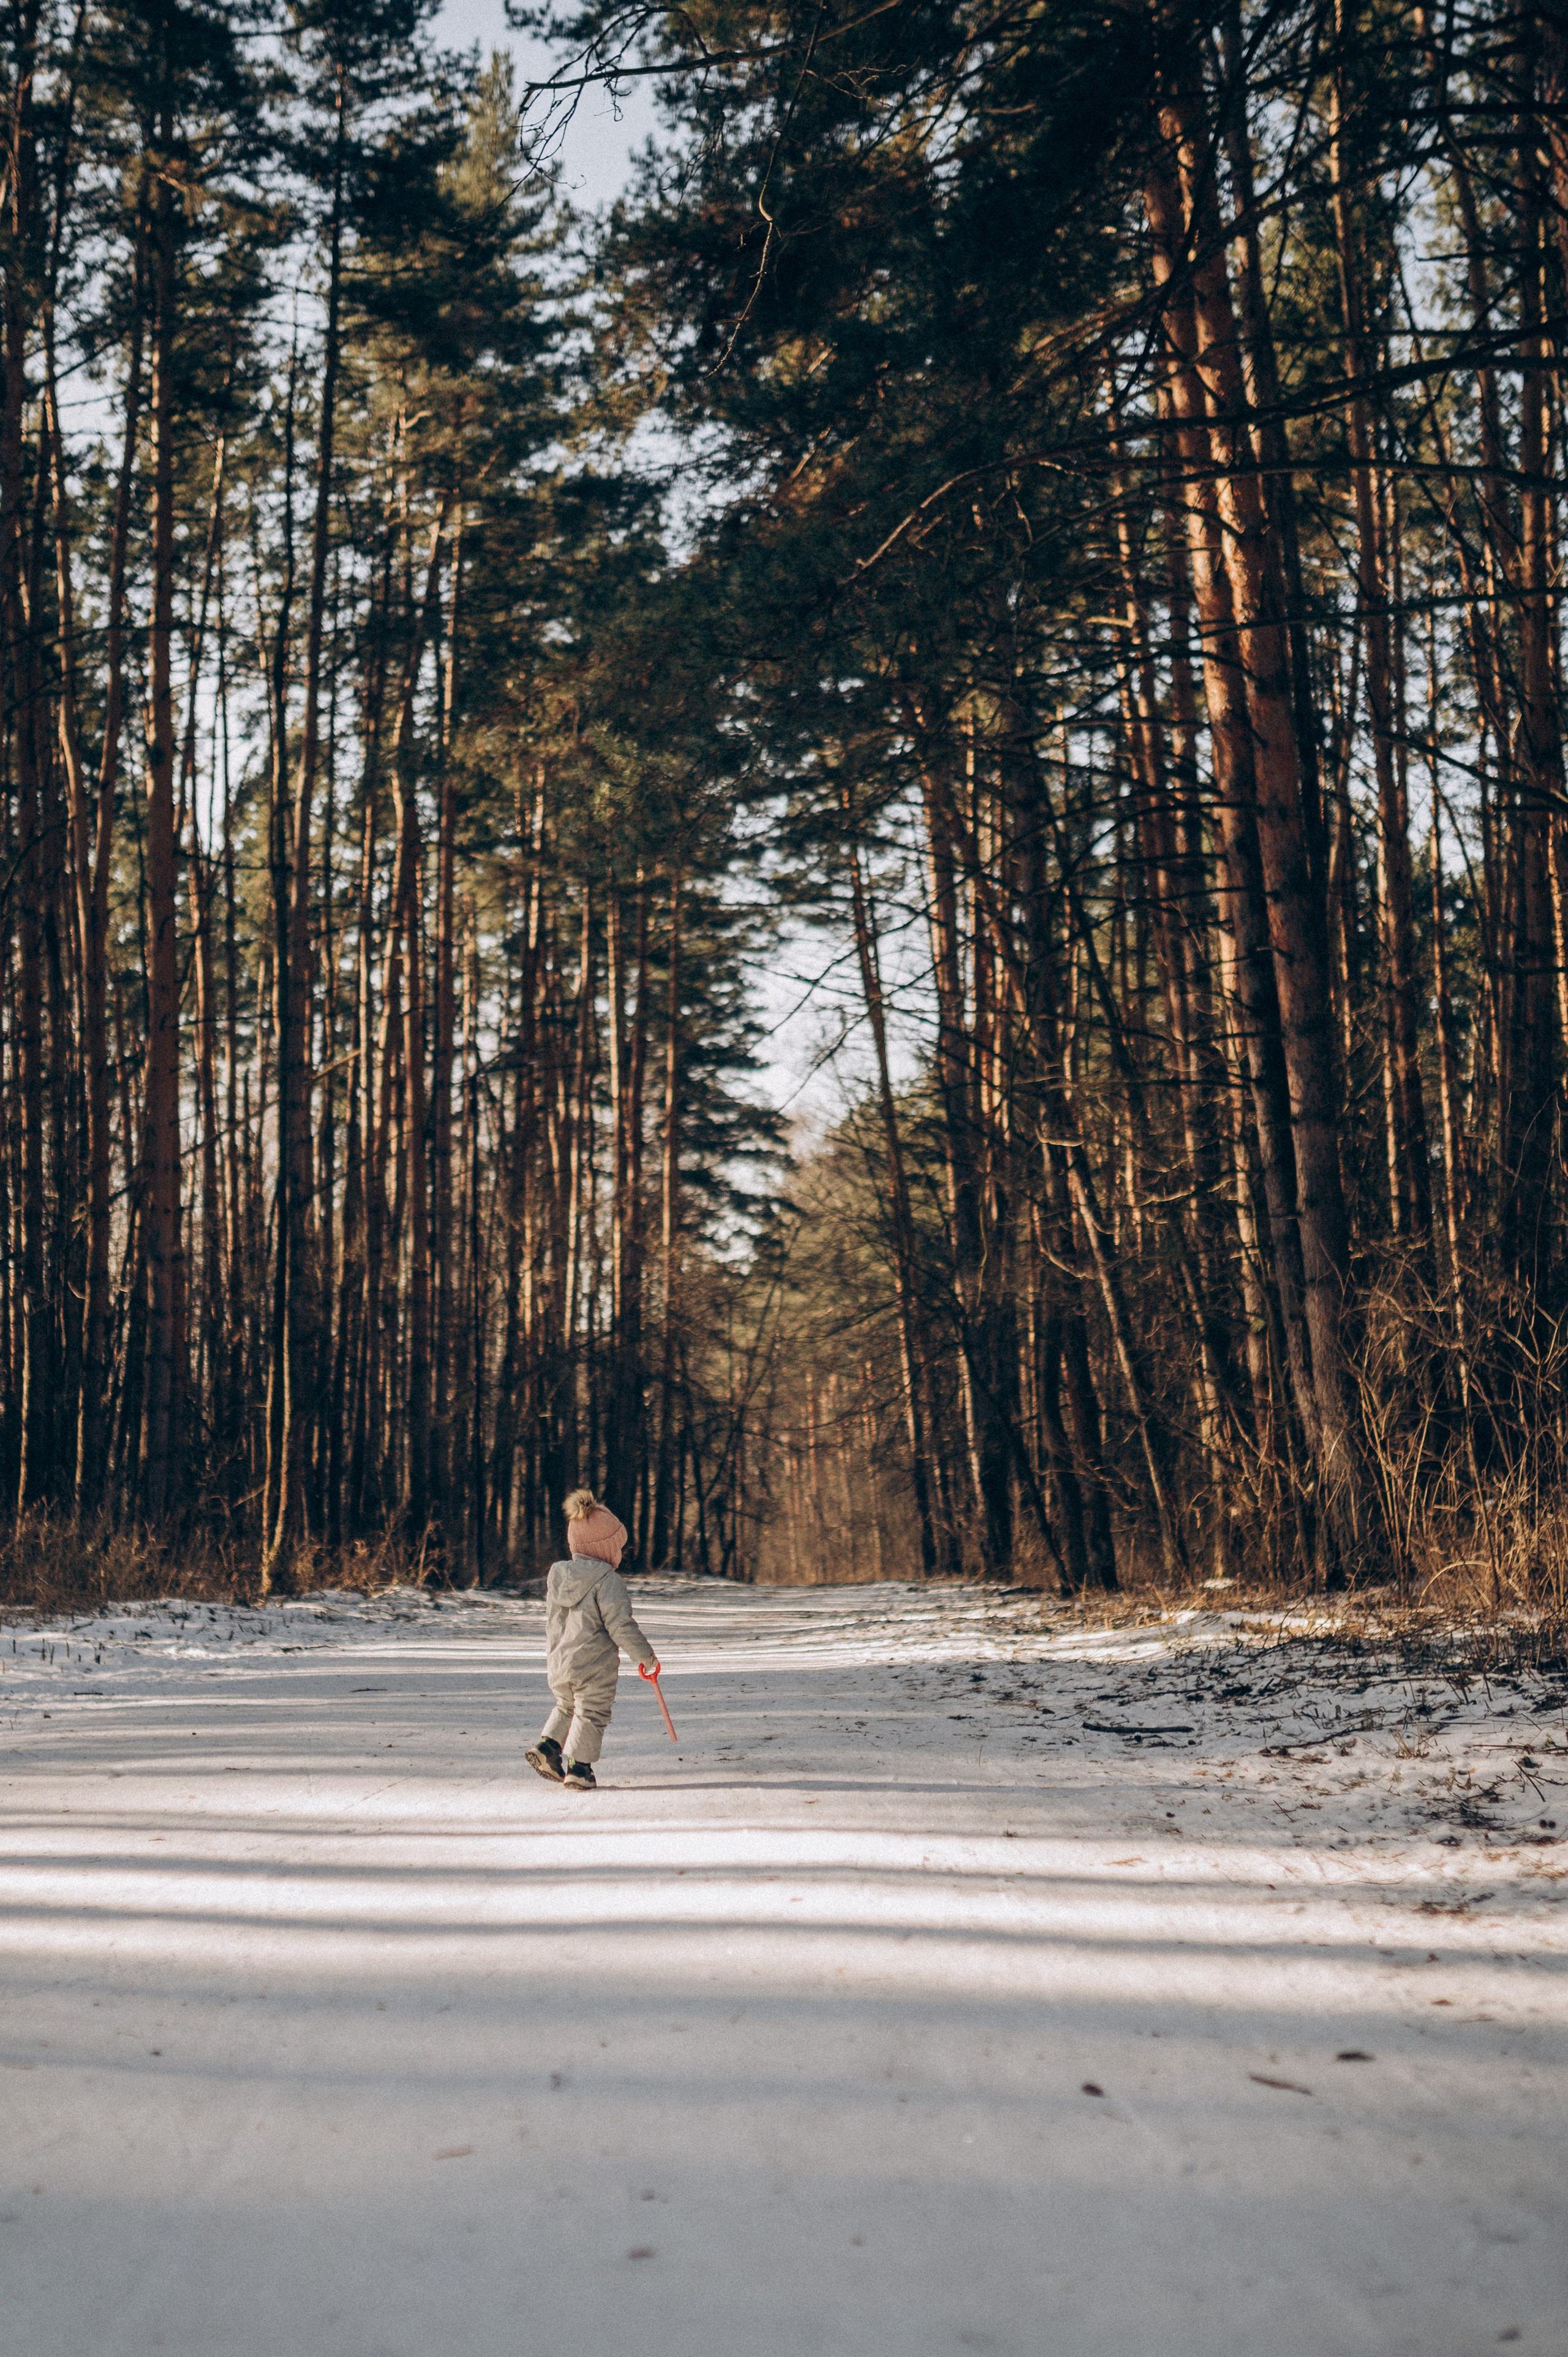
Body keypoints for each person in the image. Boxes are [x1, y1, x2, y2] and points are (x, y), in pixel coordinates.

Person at [526, 1489, 659, 1791]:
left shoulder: (557, 1575)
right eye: (618, 1547)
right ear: (605, 1548)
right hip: (593, 1667)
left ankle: (547, 1748)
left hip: (560, 1662)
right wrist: (646, 1657)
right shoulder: (608, 1581)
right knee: (592, 1712)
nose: (620, 1554)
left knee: (566, 1705)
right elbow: (620, 1626)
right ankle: (579, 1769)